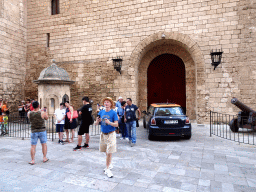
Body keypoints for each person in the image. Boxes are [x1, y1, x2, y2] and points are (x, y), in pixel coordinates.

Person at [95, 97, 118, 178]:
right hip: (103, 134)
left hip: (111, 134)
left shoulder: (113, 113)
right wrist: (97, 121)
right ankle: (109, 163)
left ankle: (107, 169)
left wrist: (109, 122)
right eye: (105, 102)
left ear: (111, 104)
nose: (106, 103)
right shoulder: (101, 112)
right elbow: (95, 124)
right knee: (106, 151)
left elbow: (116, 124)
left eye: (108, 102)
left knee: (109, 152)